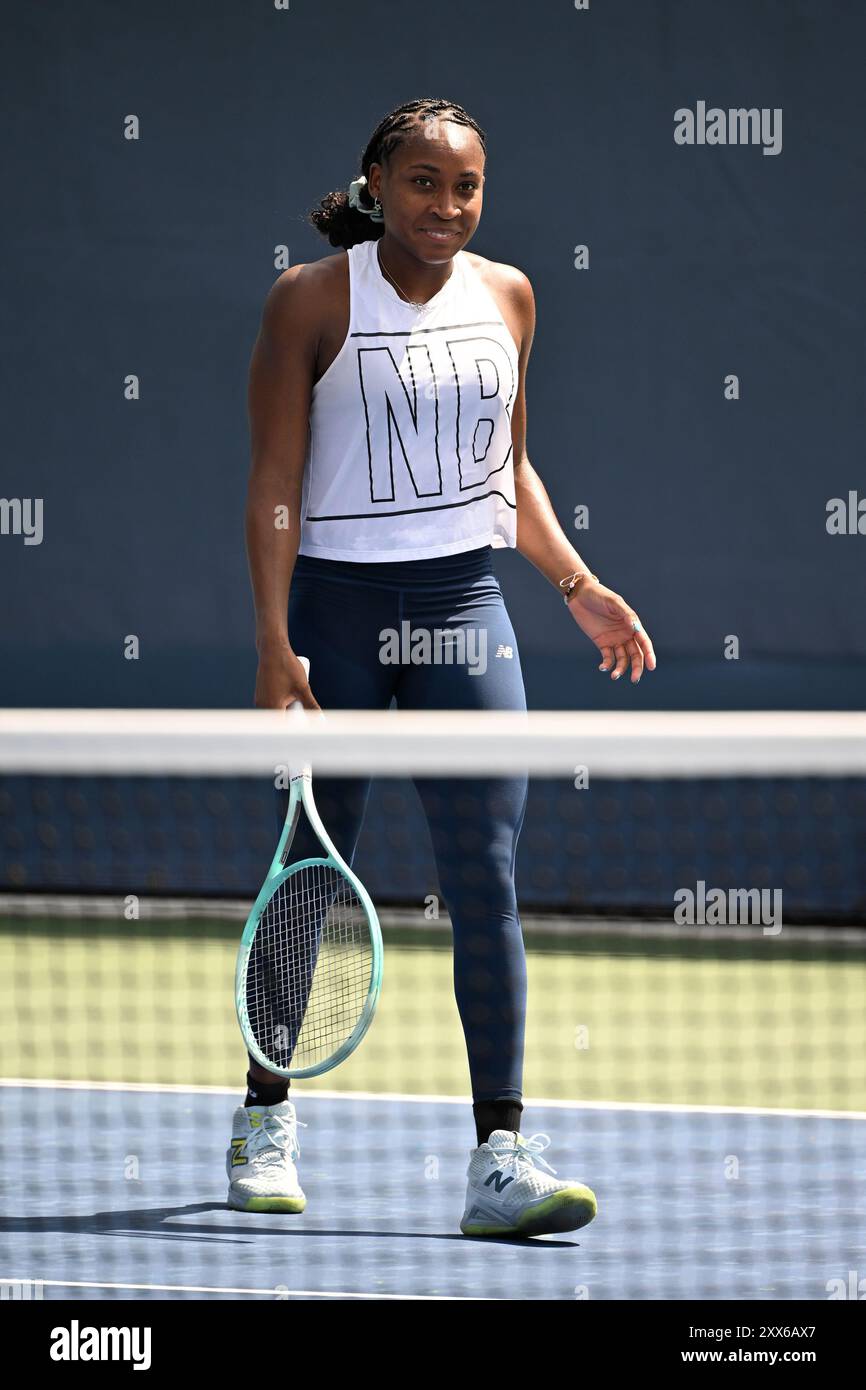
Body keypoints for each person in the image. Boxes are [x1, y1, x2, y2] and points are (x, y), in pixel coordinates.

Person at [226, 97, 656, 1237]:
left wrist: (578, 585)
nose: (446, 207)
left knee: (486, 875)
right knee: (308, 873)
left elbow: (506, 472)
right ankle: (266, 1115)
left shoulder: (509, 295)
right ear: (375, 182)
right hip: (338, 609)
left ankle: (498, 1155)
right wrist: (275, 643)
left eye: (464, 187)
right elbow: (275, 478)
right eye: (422, 183)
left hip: (466, 611)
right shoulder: (310, 299)